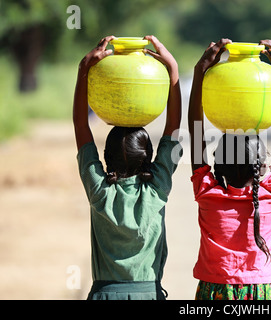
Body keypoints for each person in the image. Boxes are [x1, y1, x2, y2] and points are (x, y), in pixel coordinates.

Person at [73, 35, 182, 300]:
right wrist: (173, 70)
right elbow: (174, 129)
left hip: (105, 295)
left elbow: (81, 125)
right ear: (150, 157)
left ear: (105, 158)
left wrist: (84, 69)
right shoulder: (156, 189)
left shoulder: (100, 191)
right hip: (149, 295)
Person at [188, 38, 271, 300]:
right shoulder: (270, 192)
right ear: (262, 167)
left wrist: (201, 71)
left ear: (217, 165)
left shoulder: (207, 192)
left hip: (215, 291)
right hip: (261, 291)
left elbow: (195, 129)